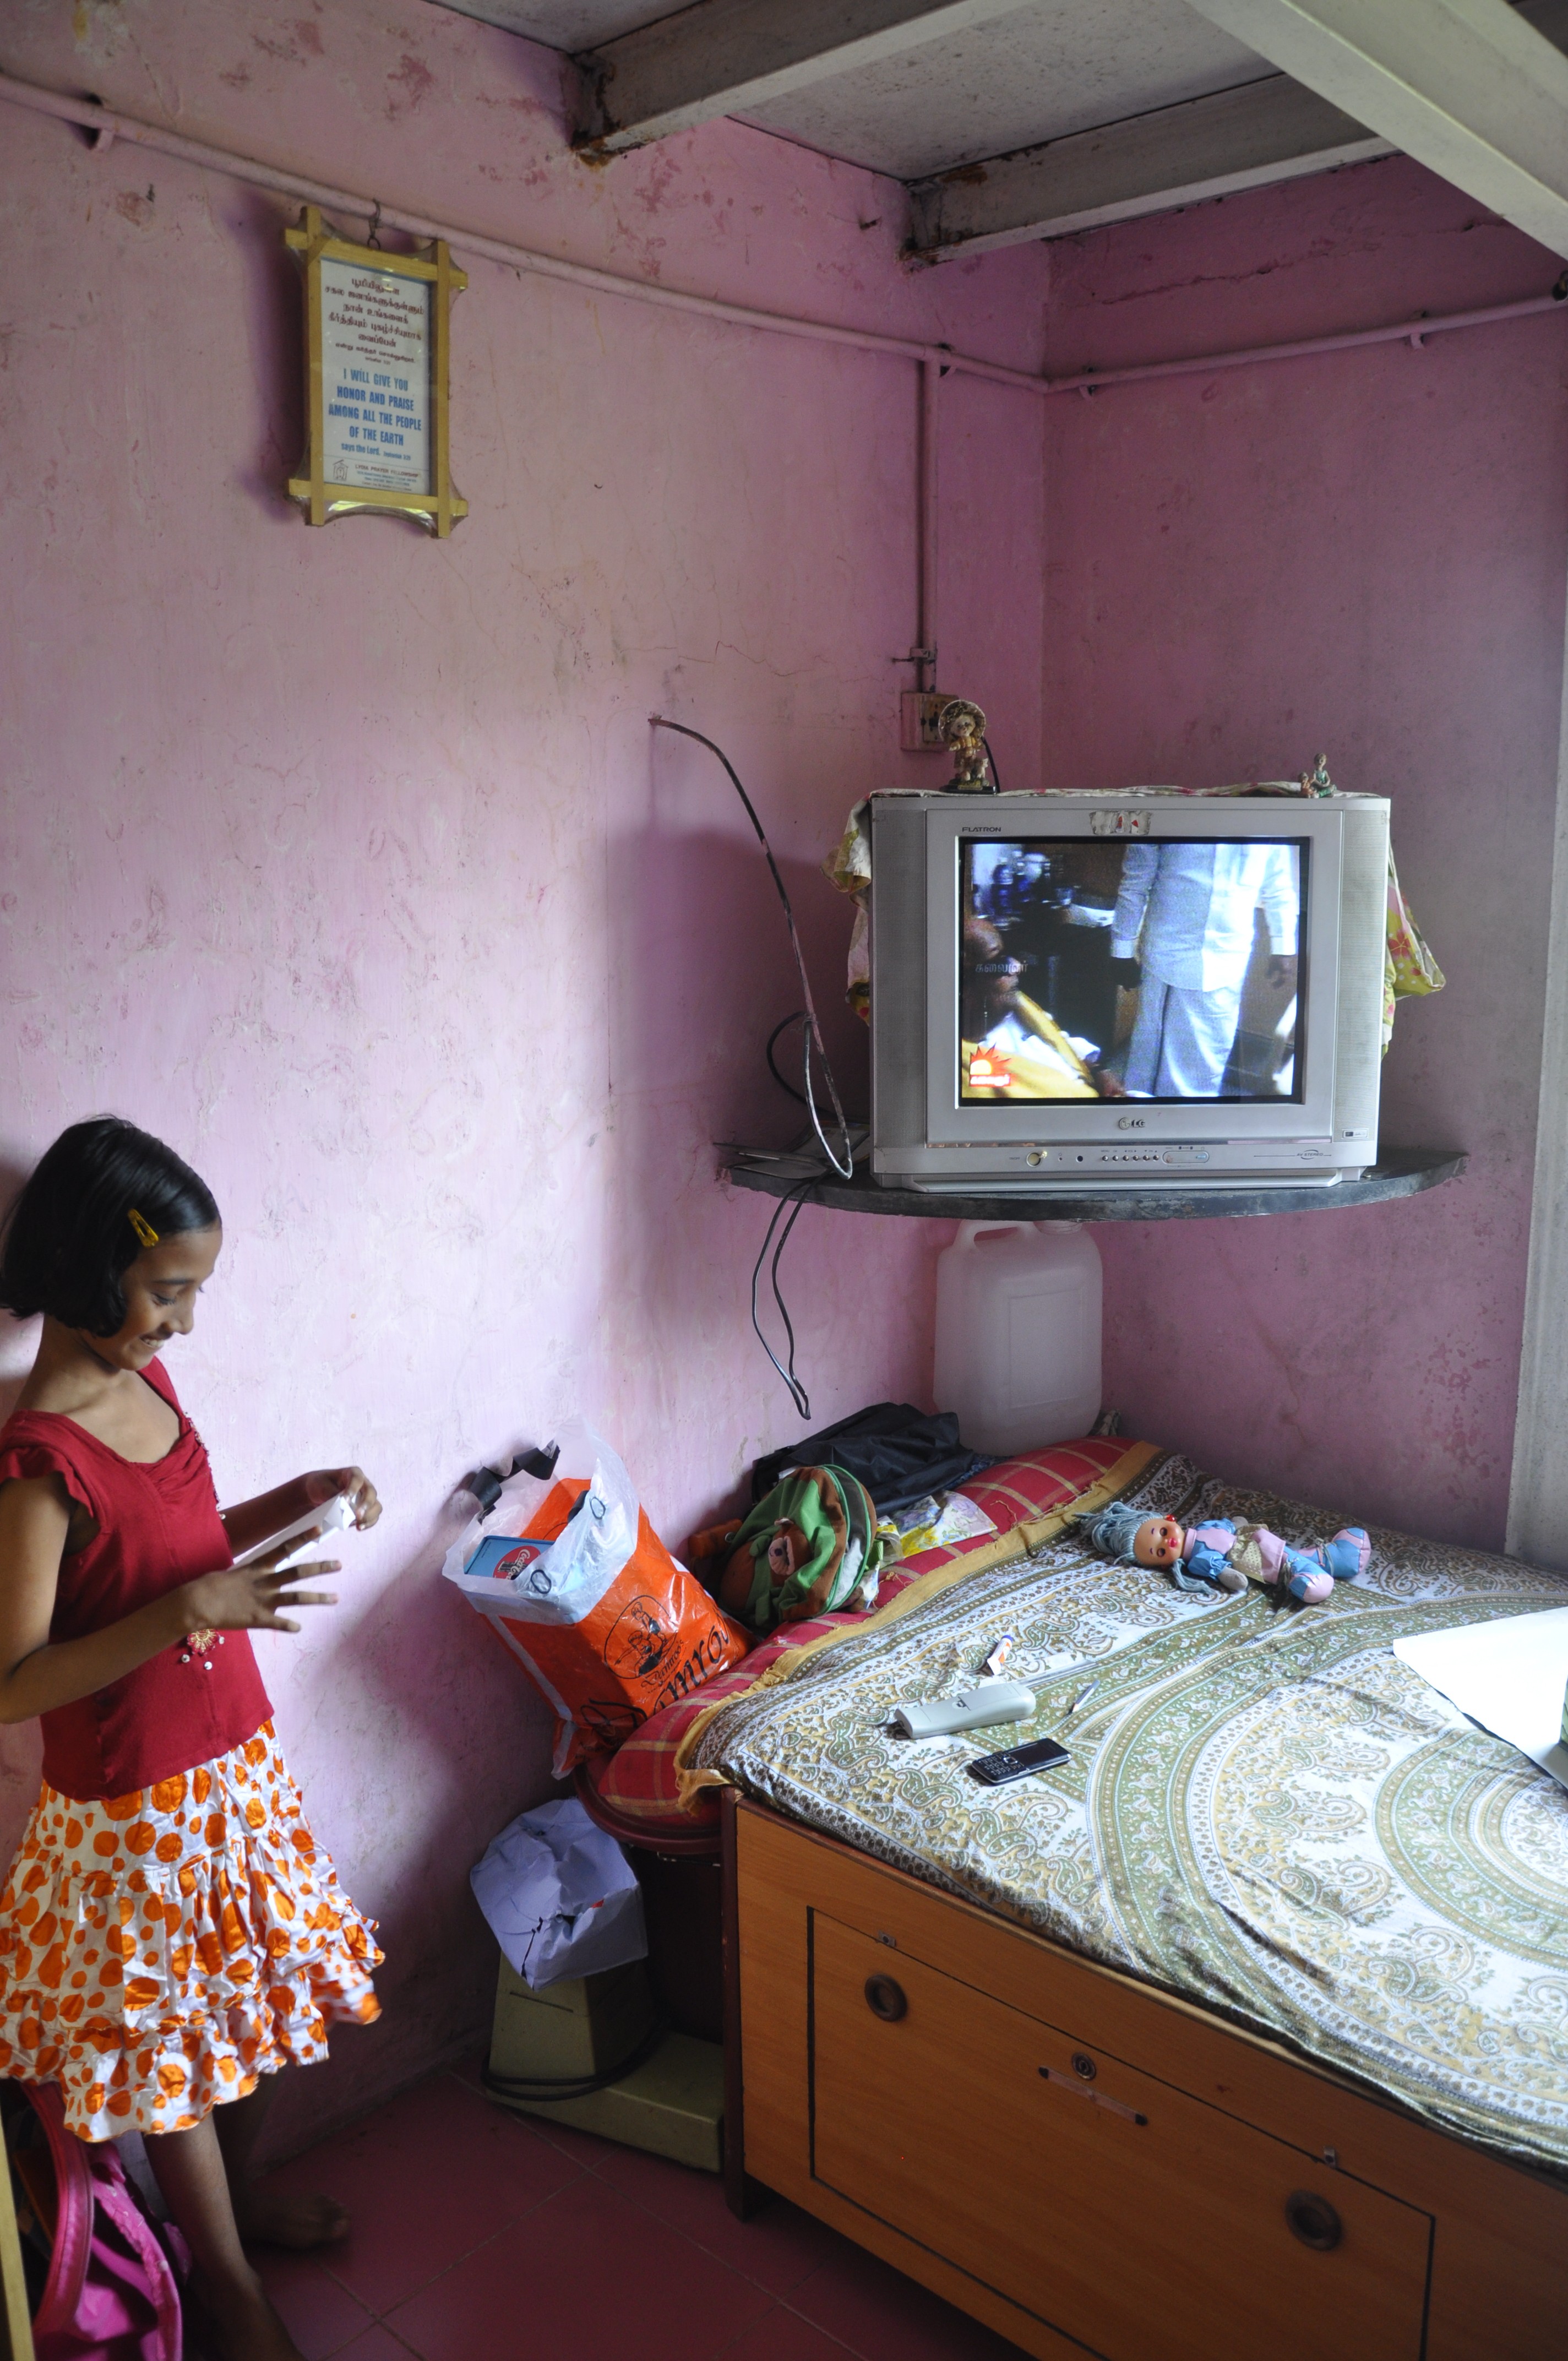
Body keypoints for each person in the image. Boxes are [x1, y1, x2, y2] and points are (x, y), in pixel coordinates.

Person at [0, 1118, 383, 2361]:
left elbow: (183, 1541)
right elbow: (11, 1681)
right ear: (87, 1264)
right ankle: (222, 2278)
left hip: (233, 1765)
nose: (185, 1321)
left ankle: (238, 2201)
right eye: (168, 1290)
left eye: (194, 1291)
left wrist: (301, 1496)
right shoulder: (37, 1459)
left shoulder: (149, 1383)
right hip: (133, 1812)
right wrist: (182, 1614)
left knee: (251, 2002)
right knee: (173, 2050)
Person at [1110, 841, 1299, 1097]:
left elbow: (1279, 884)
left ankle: (1196, 1118)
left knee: (1210, 1063)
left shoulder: (1267, 822)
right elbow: (1136, 882)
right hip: (1171, 964)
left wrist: (1283, 946)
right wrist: (1122, 949)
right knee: (1155, 1072)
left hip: (1230, 960)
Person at [960, 915, 1125, 1102]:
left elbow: (1058, 1039)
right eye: (998, 962)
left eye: (1009, 956)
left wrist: (1098, 1070)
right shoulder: (968, 1072)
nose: (1016, 967)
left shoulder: (1015, 1003)